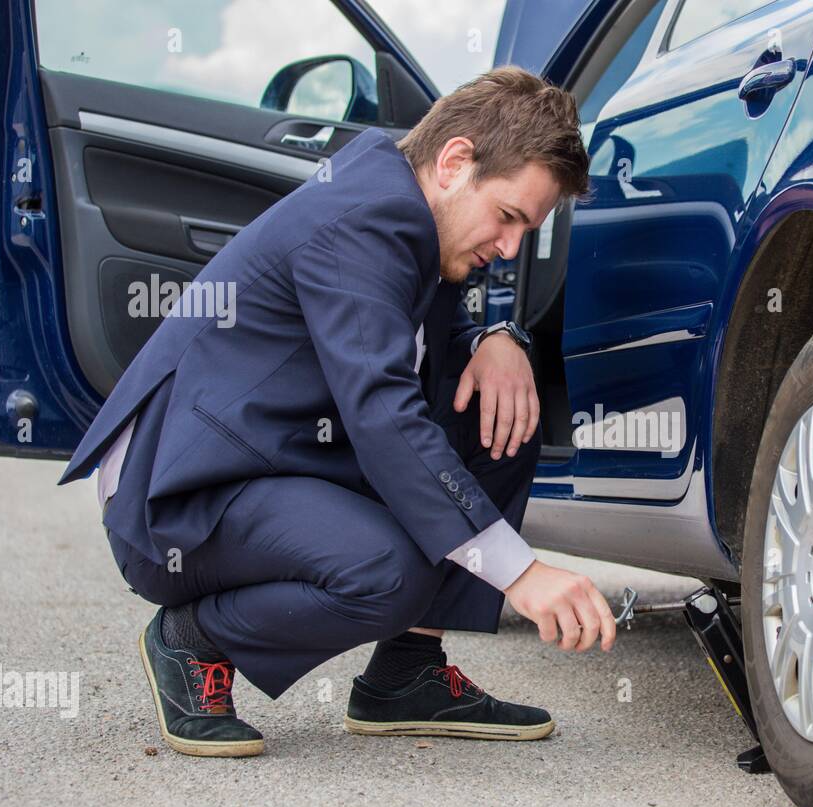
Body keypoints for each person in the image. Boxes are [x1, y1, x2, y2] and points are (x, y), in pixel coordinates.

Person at [56, 67, 617, 758]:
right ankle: (194, 640)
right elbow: (382, 410)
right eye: (507, 218)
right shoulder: (364, 218)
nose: (509, 249)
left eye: (525, 231)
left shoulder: (414, 211)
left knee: (500, 417)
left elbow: (403, 335)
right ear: (454, 162)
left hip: (277, 457)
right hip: (181, 501)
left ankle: (406, 674)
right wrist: (520, 573)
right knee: (386, 571)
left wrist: (496, 339)